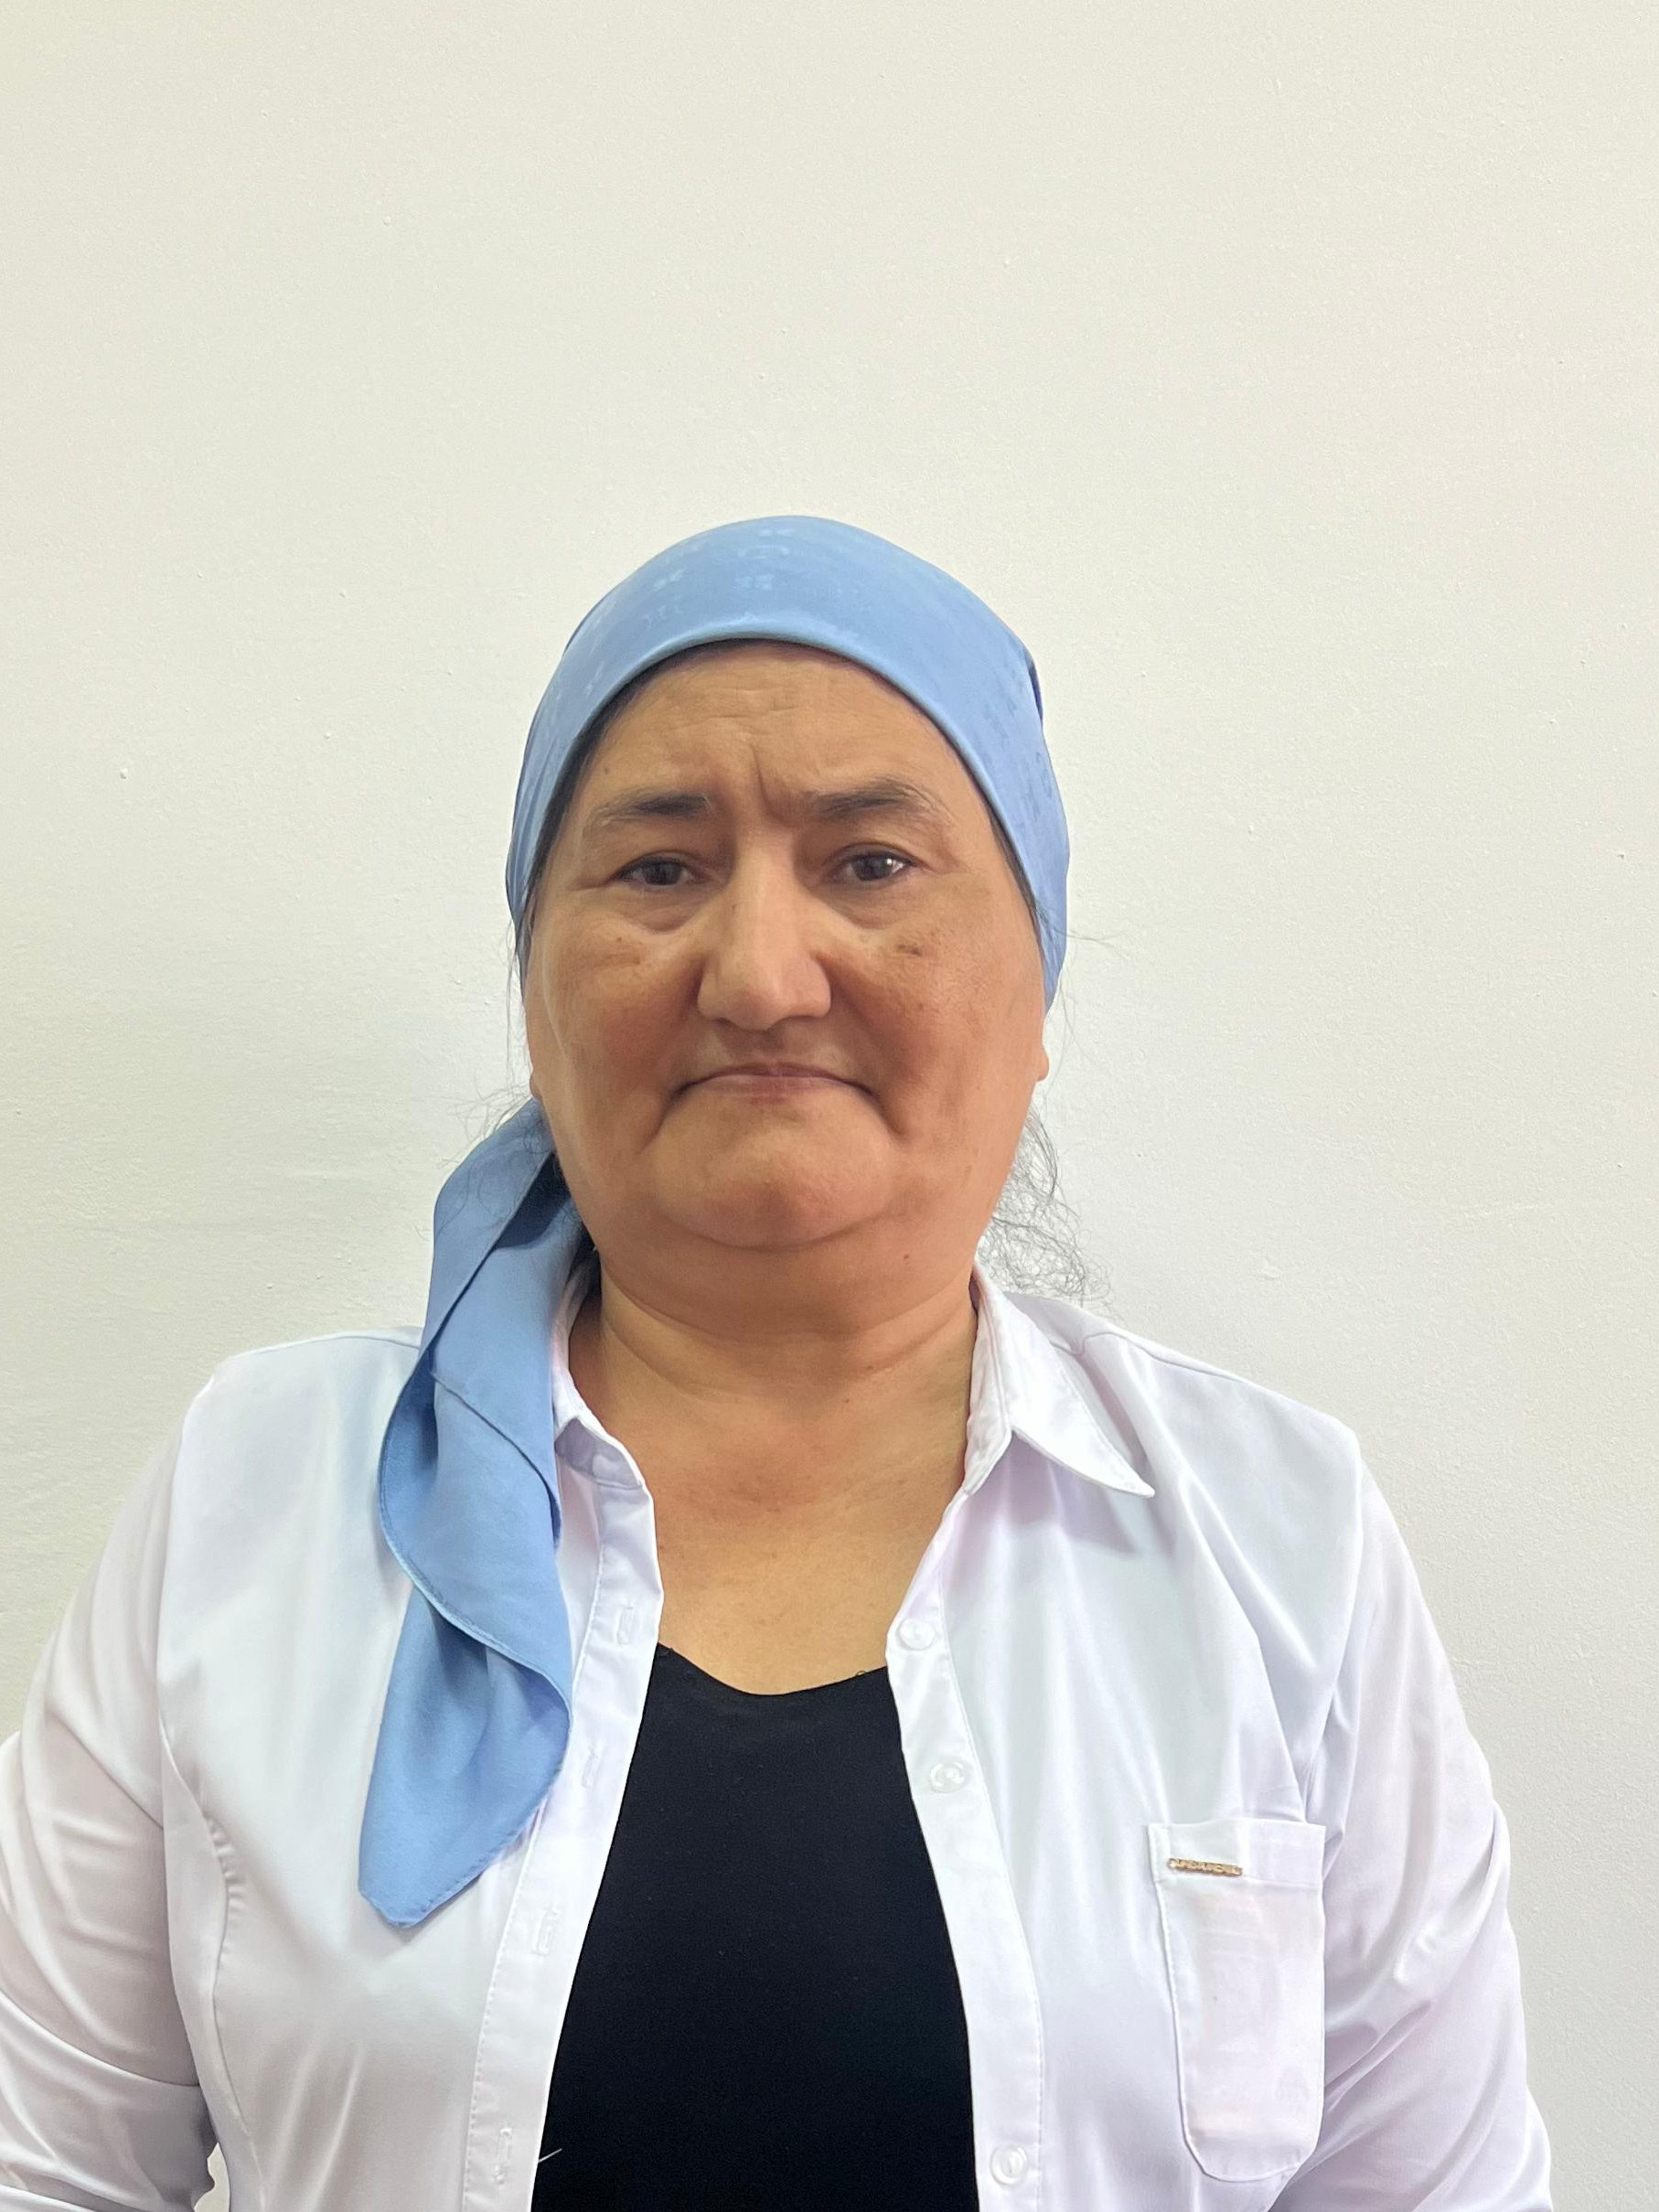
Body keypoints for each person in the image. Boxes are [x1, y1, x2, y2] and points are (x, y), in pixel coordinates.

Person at [0, 515, 1551, 2209]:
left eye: (869, 864)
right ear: (534, 983)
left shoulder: (1273, 1533)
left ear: (1036, 978)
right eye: (658, 869)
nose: (757, 973)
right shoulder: (261, 1495)